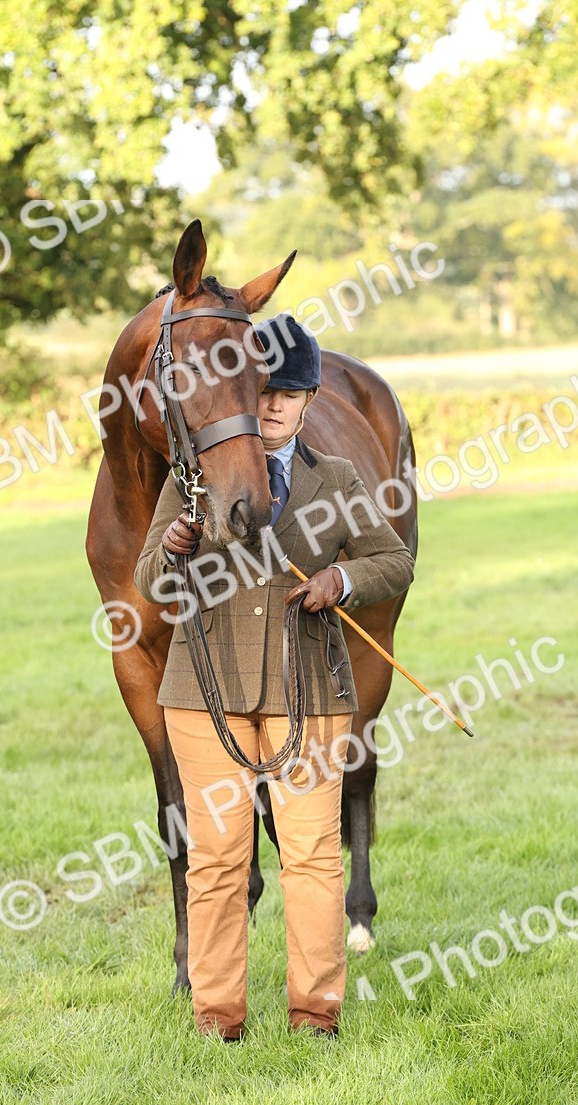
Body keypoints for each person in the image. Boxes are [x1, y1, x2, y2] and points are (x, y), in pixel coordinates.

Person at [134, 314, 415, 1041]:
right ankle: (216, 1015)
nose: (273, 406)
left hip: (310, 696)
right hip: (207, 698)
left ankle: (315, 1012)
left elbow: (395, 563)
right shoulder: (192, 477)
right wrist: (172, 547)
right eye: (264, 392)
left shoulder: (342, 478)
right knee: (218, 858)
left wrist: (340, 579)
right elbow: (148, 581)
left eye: (289, 395)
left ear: (311, 397)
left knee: (314, 858)